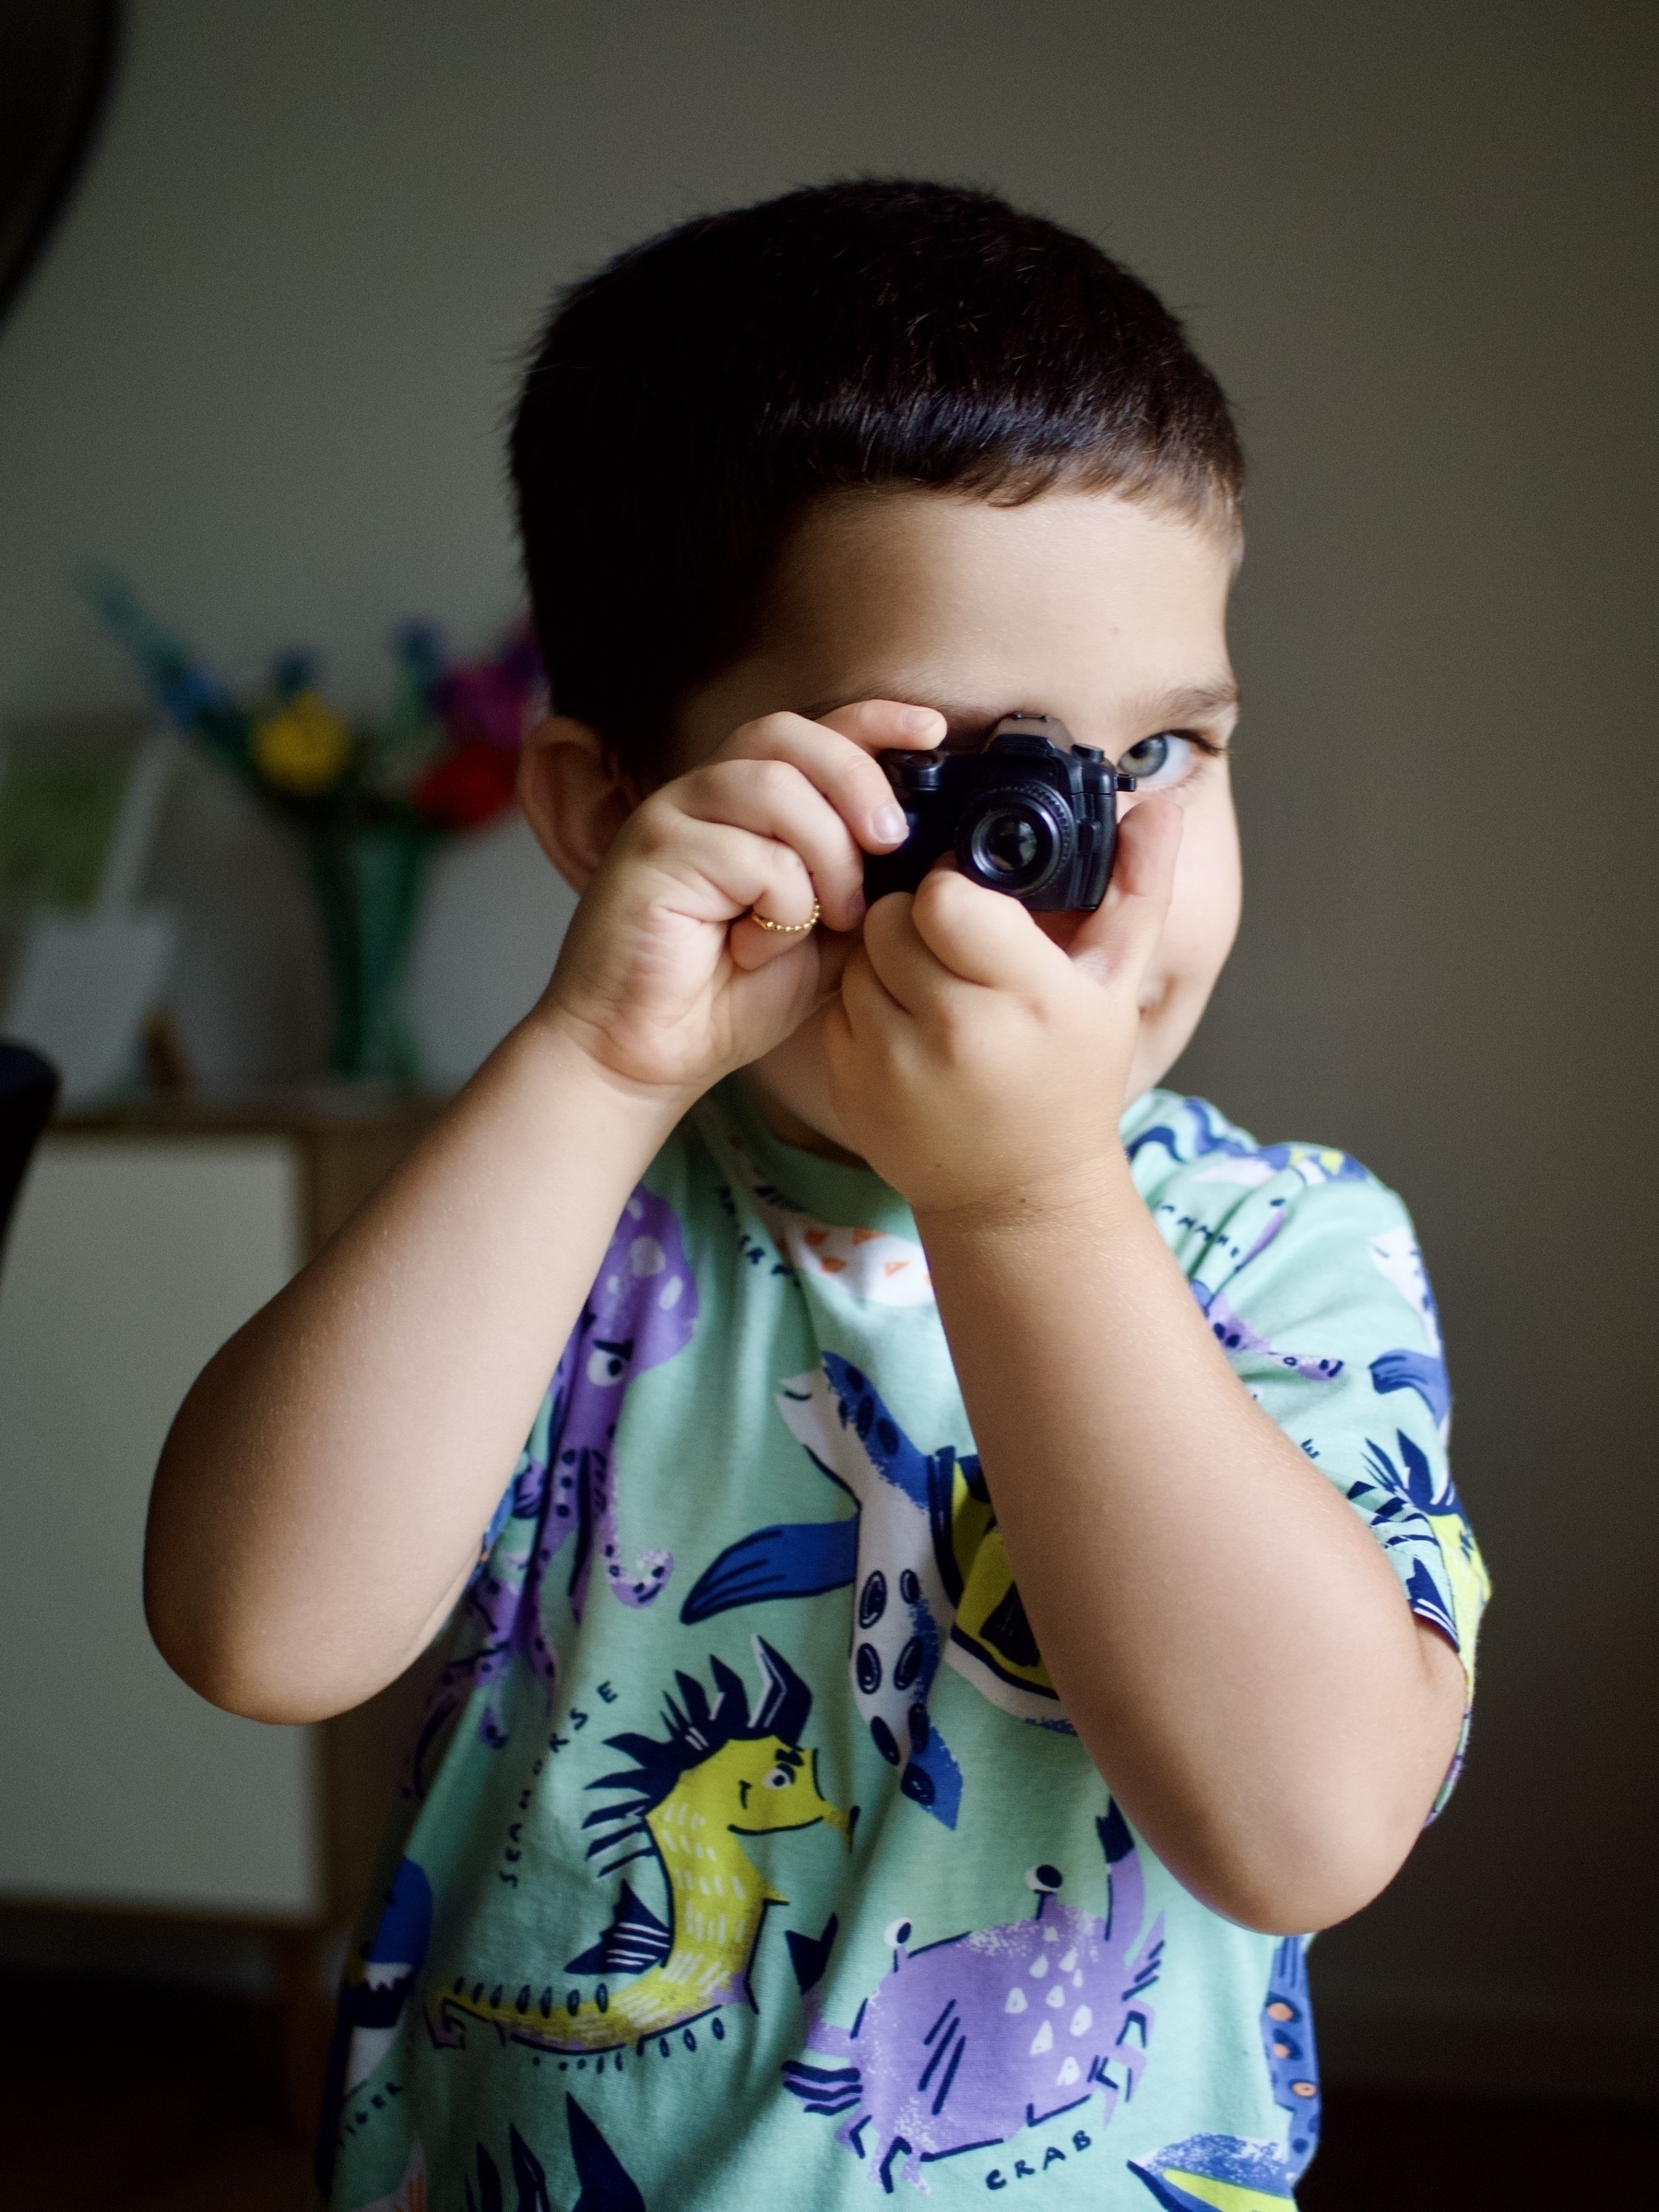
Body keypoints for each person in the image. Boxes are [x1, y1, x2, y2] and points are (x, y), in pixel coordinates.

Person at [144, 182, 1487, 2210]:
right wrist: (592, 1067)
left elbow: (1304, 1828)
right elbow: (256, 1629)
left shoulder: (1278, 1252)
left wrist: (1028, 1202)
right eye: (973, 777)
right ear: (618, 812)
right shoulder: (562, 1220)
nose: (1092, 865)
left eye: (1171, 751)